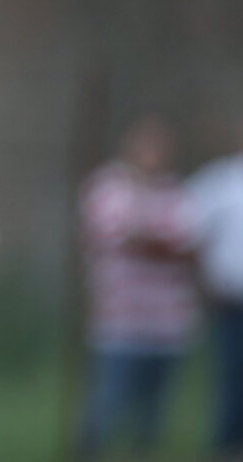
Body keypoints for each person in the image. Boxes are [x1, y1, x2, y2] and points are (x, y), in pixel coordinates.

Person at [77, 115, 200, 459]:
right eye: (146, 146)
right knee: (107, 403)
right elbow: (118, 237)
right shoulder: (108, 188)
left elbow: (189, 245)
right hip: (119, 321)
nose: (152, 154)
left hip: (167, 324)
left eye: (159, 147)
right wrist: (159, 243)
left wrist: (150, 242)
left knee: (153, 412)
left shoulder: (178, 192)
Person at [188, 118, 243, 462]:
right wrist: (203, 279)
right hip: (231, 301)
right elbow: (188, 229)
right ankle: (226, 446)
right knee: (233, 376)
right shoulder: (220, 180)